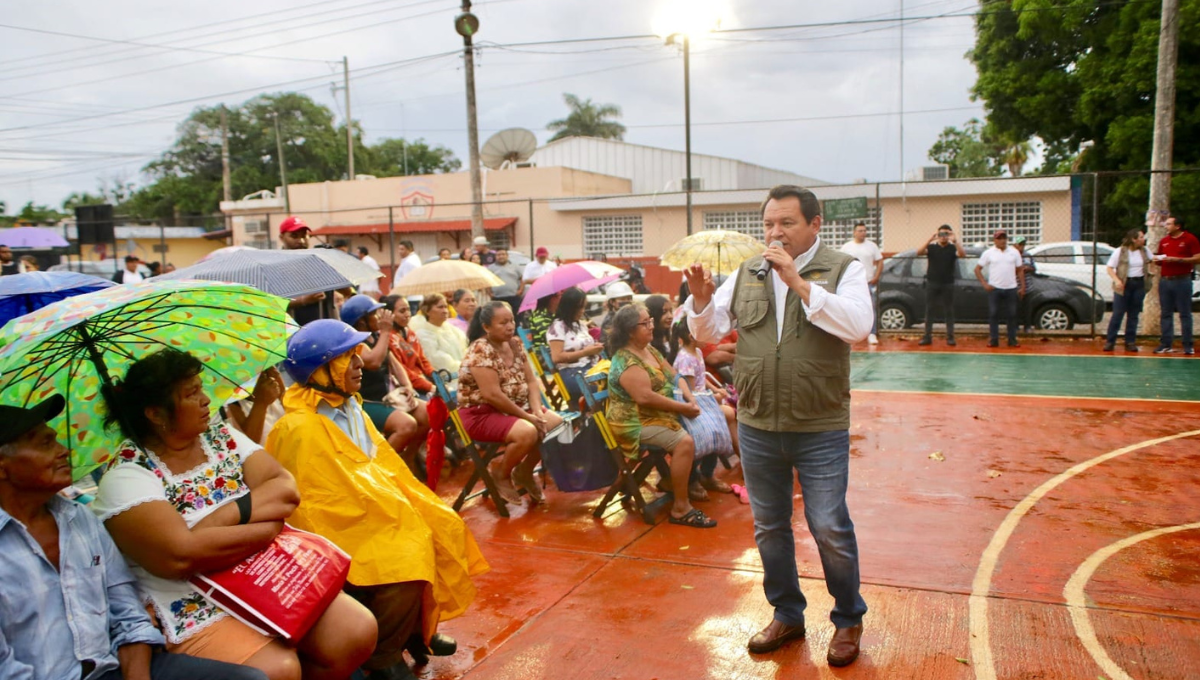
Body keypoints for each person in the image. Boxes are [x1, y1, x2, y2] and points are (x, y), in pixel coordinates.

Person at [92, 348, 377, 679]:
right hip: (195, 601)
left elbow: (285, 490)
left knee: (356, 632)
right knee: (278, 670)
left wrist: (217, 522)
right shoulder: (127, 475)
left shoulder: (219, 436)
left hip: (262, 572)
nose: (204, 399)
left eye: (201, 387)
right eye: (191, 393)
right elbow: (180, 557)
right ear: (156, 414)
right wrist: (266, 528)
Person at [683, 184, 872, 666]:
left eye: (786, 223)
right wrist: (702, 302)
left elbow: (858, 327)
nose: (775, 232)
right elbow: (705, 334)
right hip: (759, 423)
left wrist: (801, 283)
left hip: (819, 423)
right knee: (769, 526)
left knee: (829, 525)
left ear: (814, 224)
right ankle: (787, 614)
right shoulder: (748, 271)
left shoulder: (844, 268)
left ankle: (848, 619)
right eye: (769, 223)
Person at [270, 321, 489, 680]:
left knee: (438, 523)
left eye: (356, 354)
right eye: (345, 358)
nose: (359, 363)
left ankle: (417, 633)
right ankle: (384, 655)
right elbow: (315, 504)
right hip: (340, 526)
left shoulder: (350, 405)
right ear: (320, 371)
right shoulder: (298, 426)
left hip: (370, 507)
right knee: (407, 554)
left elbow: (377, 462)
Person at [0, 394, 269, 680]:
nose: (62, 450)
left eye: (54, 439)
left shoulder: (79, 519)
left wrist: (137, 676)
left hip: (113, 669)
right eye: (44, 443)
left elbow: (127, 610)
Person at [606, 305, 713, 528]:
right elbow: (644, 397)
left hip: (655, 414)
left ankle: (677, 481)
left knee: (705, 425)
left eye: (650, 321)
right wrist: (683, 408)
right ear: (629, 331)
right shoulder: (626, 361)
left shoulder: (650, 350)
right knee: (684, 442)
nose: (651, 326)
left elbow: (675, 376)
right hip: (634, 421)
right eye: (644, 323)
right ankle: (681, 507)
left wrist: (689, 397)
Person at [458, 302, 563, 506]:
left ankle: (523, 471)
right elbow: (492, 395)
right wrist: (528, 417)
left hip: (516, 408)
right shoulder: (480, 350)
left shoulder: (515, 343)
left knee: (555, 424)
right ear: (487, 327)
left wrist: (536, 411)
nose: (510, 326)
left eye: (512, 321)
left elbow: (532, 382)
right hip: (481, 414)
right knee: (528, 432)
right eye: (503, 323)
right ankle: (501, 474)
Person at [342, 295, 430, 471]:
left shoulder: (376, 336)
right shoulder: (356, 342)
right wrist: (385, 332)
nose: (380, 317)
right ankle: (380, 470)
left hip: (388, 396)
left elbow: (395, 365)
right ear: (361, 322)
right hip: (367, 402)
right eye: (374, 314)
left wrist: (408, 389)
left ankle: (407, 461)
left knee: (427, 414)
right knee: (406, 425)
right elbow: (373, 362)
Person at [671, 320, 739, 501]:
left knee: (719, 425)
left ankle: (707, 474)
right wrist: (713, 398)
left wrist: (715, 390)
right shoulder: (686, 358)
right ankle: (693, 479)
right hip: (693, 406)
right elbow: (690, 391)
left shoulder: (697, 352)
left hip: (704, 401)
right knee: (711, 430)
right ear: (692, 336)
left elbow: (702, 378)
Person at [547, 286, 604, 409]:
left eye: (584, 306)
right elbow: (556, 357)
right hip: (572, 372)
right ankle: (596, 419)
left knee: (620, 379)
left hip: (590, 368)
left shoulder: (580, 325)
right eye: (580, 307)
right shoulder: (557, 327)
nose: (583, 311)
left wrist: (594, 348)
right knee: (604, 386)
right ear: (570, 307)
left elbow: (585, 348)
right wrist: (585, 352)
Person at [1153, 215, 1199, 355]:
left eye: (1168, 224)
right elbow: (1160, 258)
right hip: (1166, 281)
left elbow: (1197, 257)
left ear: (1177, 226)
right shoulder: (1164, 241)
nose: (1165, 226)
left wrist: (1179, 260)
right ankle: (1166, 343)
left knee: (1184, 313)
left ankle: (1187, 345)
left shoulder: (1190, 239)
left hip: (1182, 280)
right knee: (1166, 313)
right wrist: (1157, 260)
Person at [1103, 229, 1154, 353]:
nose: (1143, 239)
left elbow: (1153, 260)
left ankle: (1130, 341)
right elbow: (1110, 268)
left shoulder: (1145, 251)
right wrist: (1117, 280)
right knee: (1118, 313)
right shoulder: (1120, 251)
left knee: (1134, 314)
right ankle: (1110, 341)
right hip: (1124, 284)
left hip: (1139, 284)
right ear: (1134, 239)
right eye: (1141, 237)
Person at [975, 230, 1025, 348]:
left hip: (1011, 288)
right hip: (995, 289)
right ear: (995, 240)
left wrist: (1022, 286)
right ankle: (994, 339)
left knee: (1012, 314)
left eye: (1004, 238)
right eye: (999, 238)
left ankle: (1012, 339)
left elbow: (1020, 270)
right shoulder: (989, 253)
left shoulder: (1014, 252)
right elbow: (977, 269)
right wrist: (985, 284)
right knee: (993, 314)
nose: (1002, 240)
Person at [916, 225, 965, 346]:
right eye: (941, 234)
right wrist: (929, 240)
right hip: (932, 282)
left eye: (946, 234)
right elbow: (919, 252)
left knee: (948, 310)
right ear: (937, 235)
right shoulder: (932, 248)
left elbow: (963, 254)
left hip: (947, 283)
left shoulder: (952, 248)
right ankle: (927, 336)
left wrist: (955, 241)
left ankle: (950, 337)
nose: (943, 237)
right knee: (930, 310)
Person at [839, 223, 883, 345]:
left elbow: (880, 261)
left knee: (871, 307)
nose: (863, 233)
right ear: (854, 232)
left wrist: (876, 277)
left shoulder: (872, 246)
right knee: (849, 308)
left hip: (868, 283)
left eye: (864, 230)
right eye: (860, 230)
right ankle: (850, 333)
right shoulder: (847, 247)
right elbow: (840, 263)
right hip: (851, 284)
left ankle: (872, 333)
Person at [383, 296, 437, 396]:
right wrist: (429, 386)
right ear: (389, 314)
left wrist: (436, 377)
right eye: (402, 311)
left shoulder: (410, 333)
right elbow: (402, 371)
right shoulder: (387, 338)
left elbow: (422, 360)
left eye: (408, 309)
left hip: (424, 382)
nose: (407, 314)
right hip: (408, 388)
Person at [278, 216, 326, 325]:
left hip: (319, 326)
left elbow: (344, 293)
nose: (301, 241)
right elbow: (271, 303)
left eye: (305, 235)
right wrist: (303, 300)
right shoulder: (274, 266)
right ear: (281, 238)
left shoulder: (317, 262)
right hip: (291, 330)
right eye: (294, 236)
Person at [225, 366, 287, 445]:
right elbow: (249, 443)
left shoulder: (272, 386)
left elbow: (293, 414)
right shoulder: (232, 404)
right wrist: (261, 403)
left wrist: (278, 382)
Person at [409, 293, 468, 374]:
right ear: (427, 311)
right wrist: (463, 367)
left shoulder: (454, 331)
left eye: (445, 307)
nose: (445, 311)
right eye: (440, 307)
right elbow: (438, 361)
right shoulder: (423, 335)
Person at [488, 247, 525, 312]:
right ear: (496, 256)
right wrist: (490, 293)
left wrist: (520, 290)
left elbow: (522, 278)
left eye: (503, 254)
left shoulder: (515, 266)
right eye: (498, 255)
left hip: (513, 297)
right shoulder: (491, 268)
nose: (501, 256)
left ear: (507, 256)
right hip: (497, 298)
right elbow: (487, 281)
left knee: (516, 316)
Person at [393, 240, 424, 314]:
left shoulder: (409, 262)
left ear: (409, 249)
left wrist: (402, 297)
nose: (399, 251)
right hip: (414, 297)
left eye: (402, 249)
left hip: (411, 298)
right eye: (399, 249)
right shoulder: (412, 259)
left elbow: (407, 281)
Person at [644, 295, 676, 360]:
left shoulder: (670, 336)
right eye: (664, 312)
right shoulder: (646, 343)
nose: (670, 316)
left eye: (671, 311)